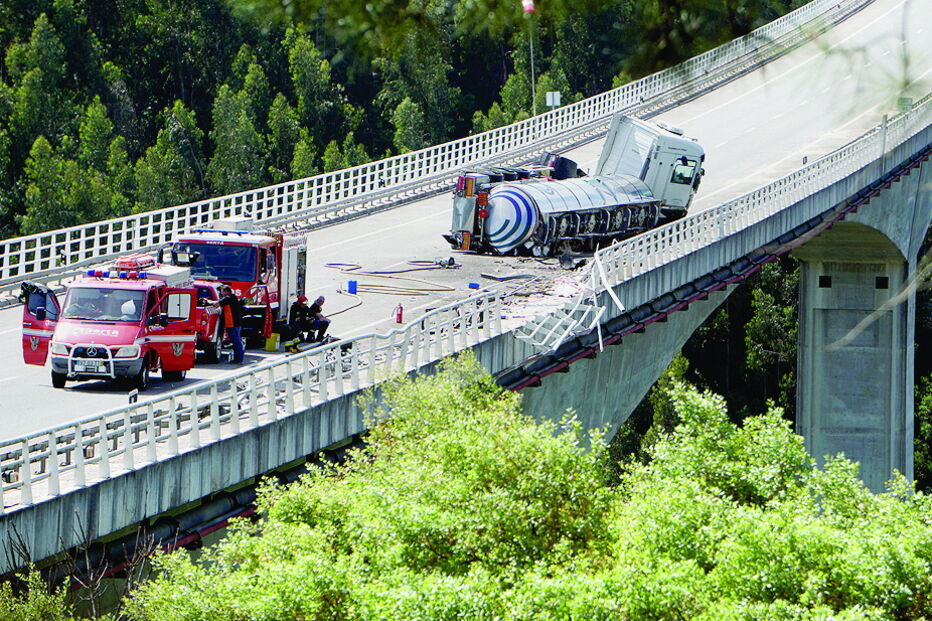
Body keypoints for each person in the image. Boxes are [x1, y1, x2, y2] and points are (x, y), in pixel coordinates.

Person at [214, 285, 244, 363]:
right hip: (234, 323)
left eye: (222, 292)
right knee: (237, 341)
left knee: (236, 342)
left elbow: (217, 304)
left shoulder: (228, 299)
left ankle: (238, 359)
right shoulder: (233, 298)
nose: (222, 294)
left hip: (233, 324)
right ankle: (238, 358)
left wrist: (207, 301)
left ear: (226, 292)